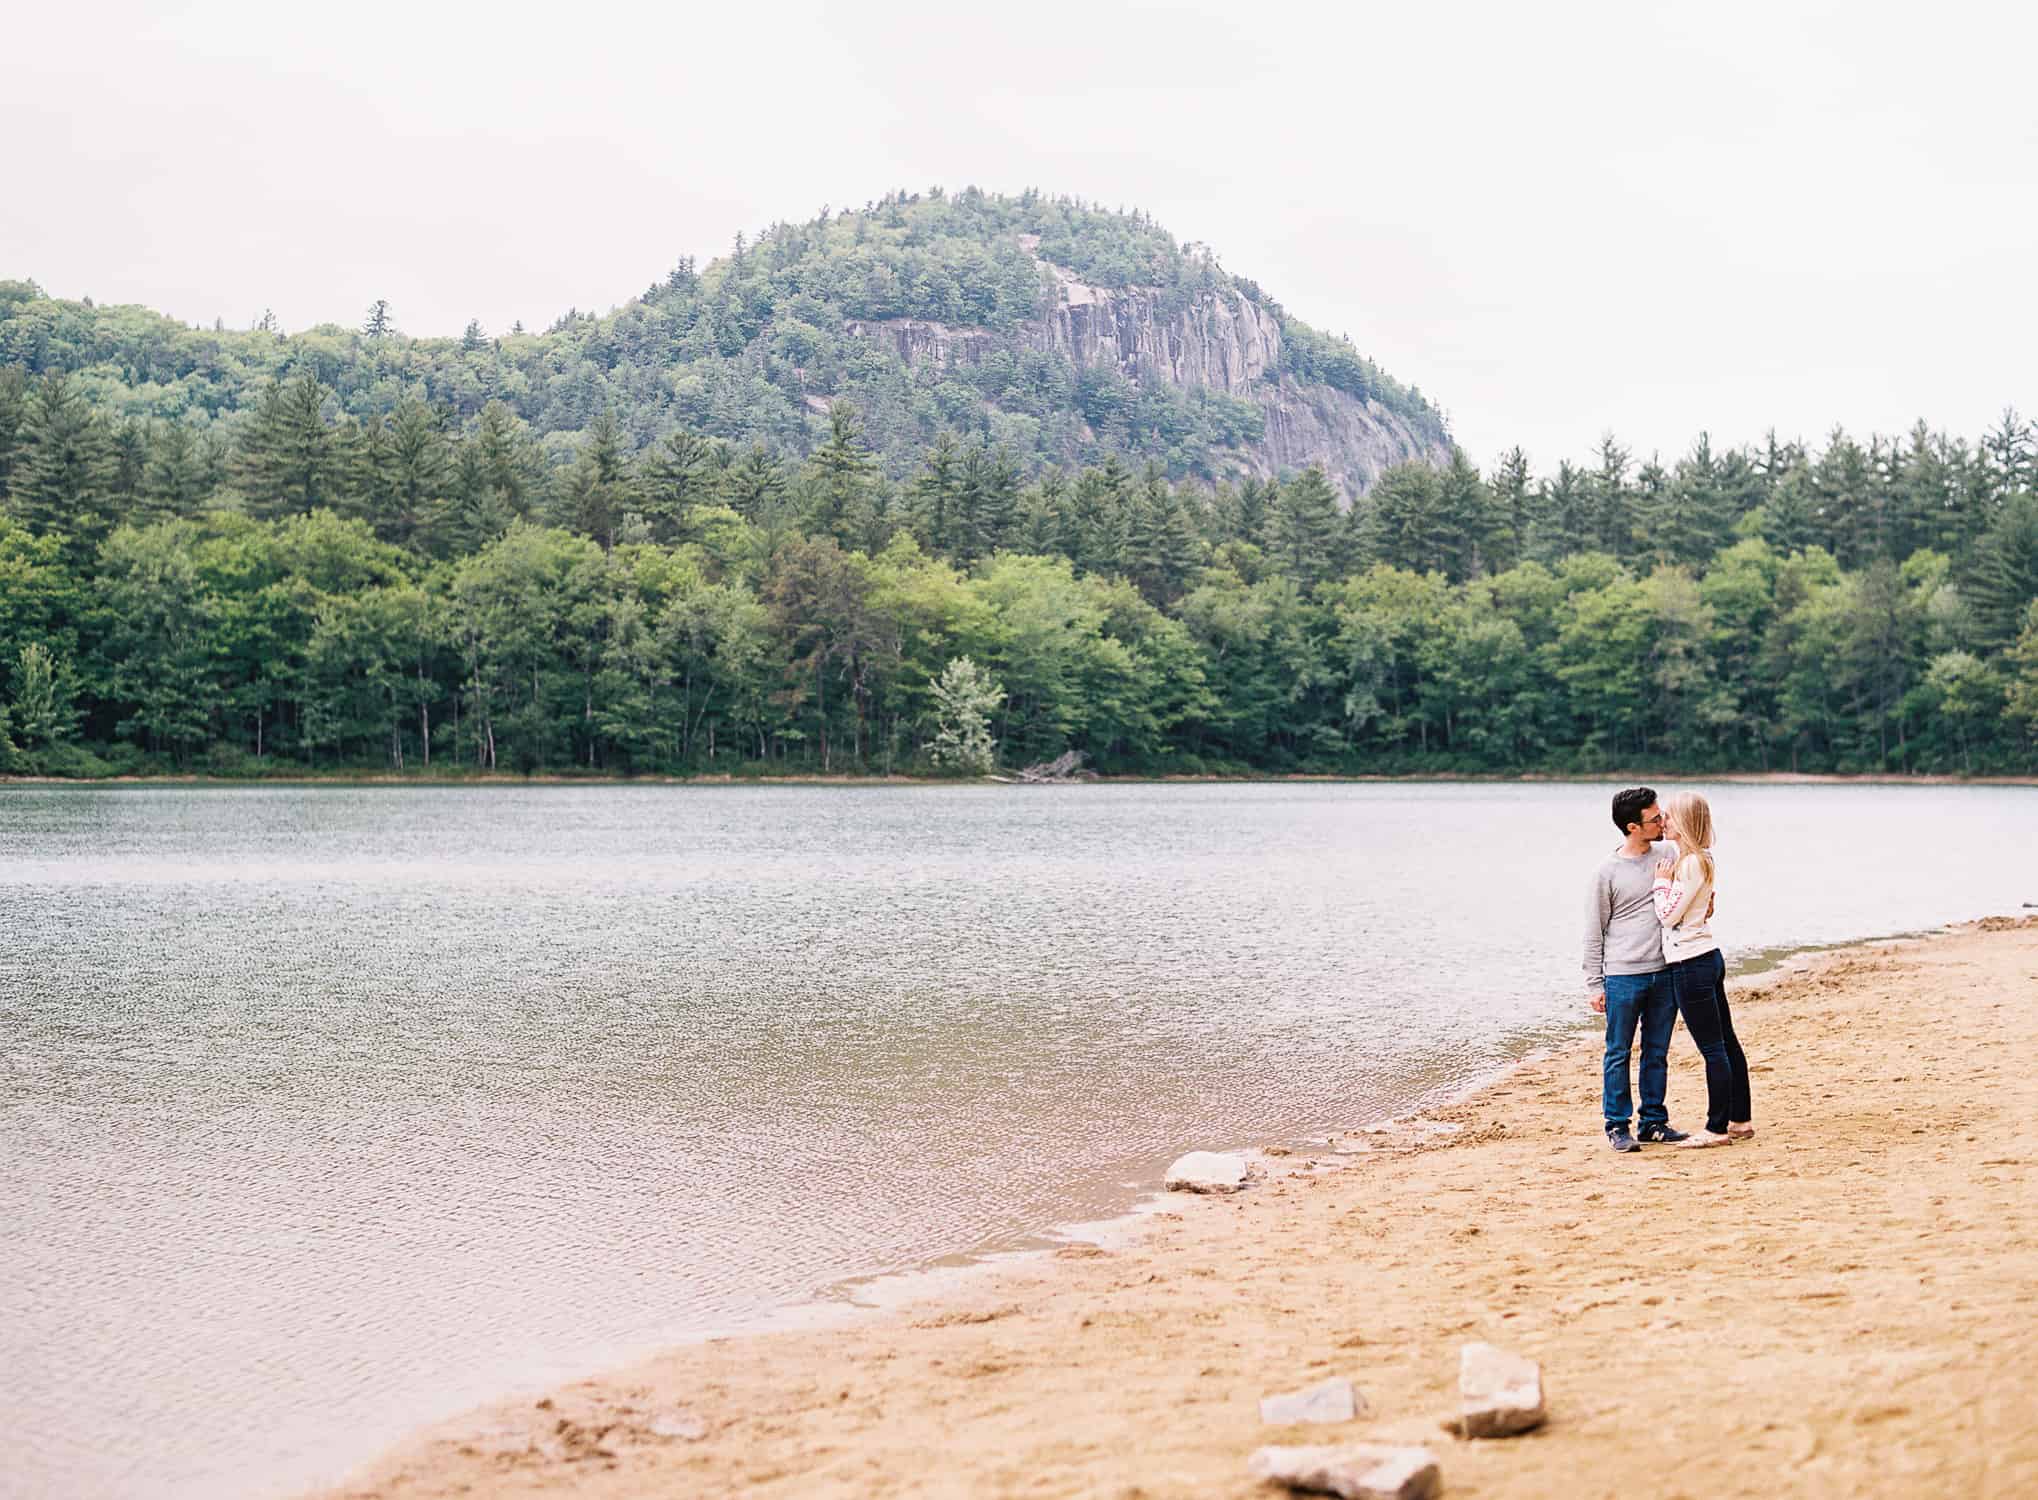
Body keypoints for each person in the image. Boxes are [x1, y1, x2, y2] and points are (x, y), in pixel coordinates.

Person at [1584, 786, 1692, 1153]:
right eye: (1655, 819)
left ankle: (1653, 1122)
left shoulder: (1669, 854)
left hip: (1665, 970)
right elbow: (1594, 931)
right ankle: (1617, 1125)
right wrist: (1594, 984)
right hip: (1622, 976)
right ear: (1633, 827)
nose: (1663, 822)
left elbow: (1690, 890)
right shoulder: (1607, 872)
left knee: (1656, 1051)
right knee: (1618, 1052)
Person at [1652, 791, 1752, 1148]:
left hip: (1691, 962)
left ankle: (1716, 1128)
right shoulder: (1702, 859)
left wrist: (1660, 883)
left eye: (1669, 816)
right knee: (1726, 1042)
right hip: (1706, 957)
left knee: (1713, 1048)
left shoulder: (1690, 863)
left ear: (1684, 822)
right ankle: (1740, 1119)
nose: (1663, 822)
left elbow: (1667, 915)